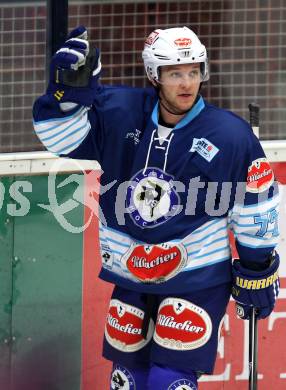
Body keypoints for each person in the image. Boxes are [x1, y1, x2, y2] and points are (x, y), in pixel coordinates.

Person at [33, 26, 280, 389]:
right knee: (127, 380)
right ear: (154, 75)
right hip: (130, 271)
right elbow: (60, 137)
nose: (187, 83)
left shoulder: (228, 134)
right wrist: (65, 96)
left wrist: (257, 268)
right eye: (175, 73)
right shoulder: (120, 113)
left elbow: (255, 203)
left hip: (196, 275)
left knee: (167, 381)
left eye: (194, 71)